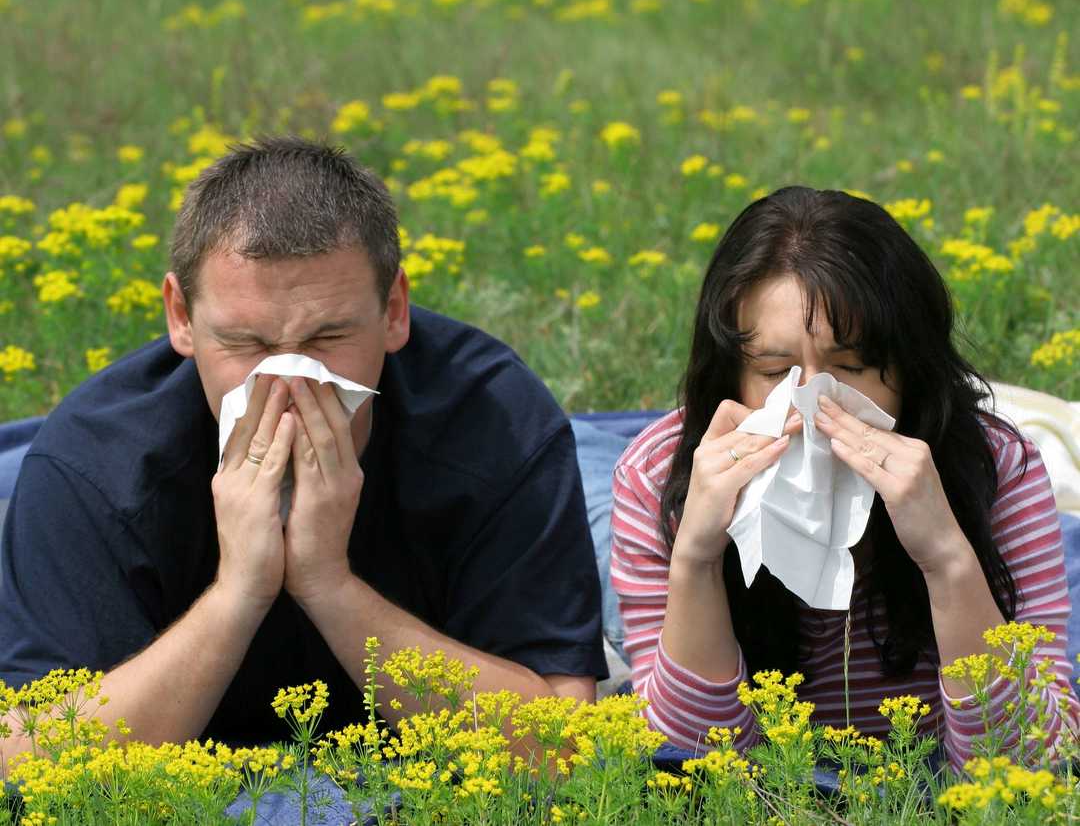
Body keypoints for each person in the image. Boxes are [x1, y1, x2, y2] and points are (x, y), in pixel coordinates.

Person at [0, 137, 607, 772]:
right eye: (243, 342)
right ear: (180, 317)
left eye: (328, 336)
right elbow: (26, 760)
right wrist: (237, 592)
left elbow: (561, 746)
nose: (289, 380)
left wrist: (329, 583)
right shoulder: (96, 460)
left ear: (394, 311)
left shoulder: (497, 422)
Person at [610, 186, 1079, 768]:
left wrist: (947, 556)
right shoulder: (658, 476)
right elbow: (681, 763)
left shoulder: (996, 465)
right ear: (730, 374)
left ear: (910, 369)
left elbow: (1041, 764)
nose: (812, 404)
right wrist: (696, 557)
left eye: (850, 368)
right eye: (775, 371)